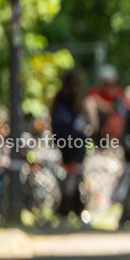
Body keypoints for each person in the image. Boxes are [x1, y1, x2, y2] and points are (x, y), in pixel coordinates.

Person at [51, 69, 89, 219]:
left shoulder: (58, 98)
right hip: (76, 141)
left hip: (62, 141)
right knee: (75, 173)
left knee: (69, 172)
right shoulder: (76, 99)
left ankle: (73, 205)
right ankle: (68, 205)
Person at [85, 65, 127, 143]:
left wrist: (100, 103)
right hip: (98, 121)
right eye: (105, 82)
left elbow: (118, 109)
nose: (108, 85)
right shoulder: (95, 91)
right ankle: (92, 131)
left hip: (112, 123)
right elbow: (90, 102)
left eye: (110, 82)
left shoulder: (118, 92)